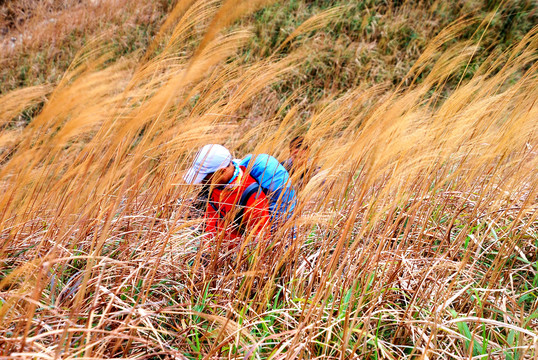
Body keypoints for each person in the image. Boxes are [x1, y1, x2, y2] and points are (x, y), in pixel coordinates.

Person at [184, 144, 271, 243]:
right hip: (209, 247)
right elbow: (211, 215)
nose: (202, 182)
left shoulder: (251, 195)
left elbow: (259, 239)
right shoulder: (217, 185)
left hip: (228, 255)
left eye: (205, 179)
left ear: (222, 171)